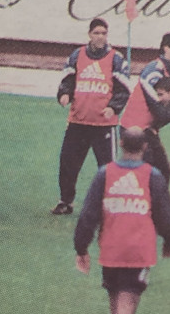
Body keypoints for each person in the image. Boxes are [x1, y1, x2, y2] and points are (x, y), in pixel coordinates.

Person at [74, 127, 170, 314]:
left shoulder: (105, 174)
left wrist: (81, 247)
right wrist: (169, 242)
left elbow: (88, 215)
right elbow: (166, 216)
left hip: (111, 250)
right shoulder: (153, 176)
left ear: (121, 143)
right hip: (138, 252)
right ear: (145, 146)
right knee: (127, 303)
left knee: (115, 301)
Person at [51, 18, 130, 215]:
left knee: (108, 167)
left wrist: (114, 107)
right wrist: (64, 94)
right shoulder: (77, 55)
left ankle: (109, 204)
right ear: (89, 34)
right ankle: (65, 201)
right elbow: (67, 80)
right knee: (68, 163)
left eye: (104, 33)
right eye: (97, 33)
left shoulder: (116, 59)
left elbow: (124, 89)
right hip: (78, 121)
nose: (100, 37)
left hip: (104, 124)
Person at [119, 32, 170, 185]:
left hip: (149, 130)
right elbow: (162, 113)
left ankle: (154, 208)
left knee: (162, 172)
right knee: (145, 174)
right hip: (133, 130)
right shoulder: (153, 72)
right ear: (167, 49)